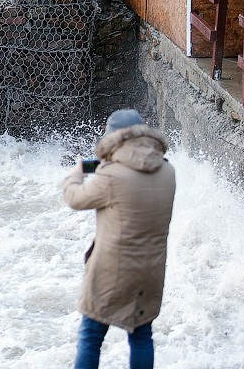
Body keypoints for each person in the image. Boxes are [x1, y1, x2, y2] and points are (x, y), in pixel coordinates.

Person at [62, 109, 176, 369]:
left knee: (91, 337)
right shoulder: (168, 171)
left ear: (113, 139)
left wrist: (75, 174)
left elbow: (75, 198)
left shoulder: (111, 176)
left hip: (112, 273)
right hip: (151, 271)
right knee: (142, 336)